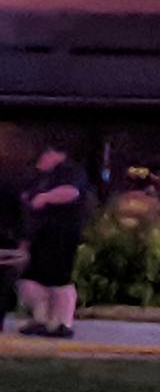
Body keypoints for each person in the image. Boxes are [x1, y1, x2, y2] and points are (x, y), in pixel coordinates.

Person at [17, 144, 90, 338]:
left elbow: (71, 192)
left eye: (44, 156)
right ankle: (41, 319)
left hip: (62, 234)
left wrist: (46, 197)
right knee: (31, 279)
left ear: (56, 155)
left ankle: (62, 323)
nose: (40, 162)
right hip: (40, 236)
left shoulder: (70, 171)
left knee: (59, 279)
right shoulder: (39, 178)